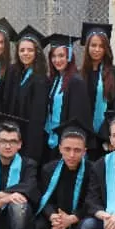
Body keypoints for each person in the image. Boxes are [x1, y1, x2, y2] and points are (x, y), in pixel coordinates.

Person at [35, 119, 93, 229]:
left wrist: (72, 218)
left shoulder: (93, 171)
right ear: (60, 148)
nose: (71, 155)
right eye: (67, 149)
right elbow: (44, 199)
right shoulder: (49, 169)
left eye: (77, 150)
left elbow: (93, 201)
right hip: (57, 220)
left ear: (85, 151)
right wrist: (53, 216)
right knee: (35, 227)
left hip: (80, 218)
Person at [0, 25, 50, 162]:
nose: (25, 53)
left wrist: (31, 150)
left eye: (30, 50)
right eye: (22, 50)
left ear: (37, 52)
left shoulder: (41, 79)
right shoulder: (13, 72)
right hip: (10, 134)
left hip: (29, 138)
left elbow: (38, 117)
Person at [80, 22, 115, 161]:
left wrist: (111, 135)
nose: (97, 49)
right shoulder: (80, 75)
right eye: (93, 45)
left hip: (107, 137)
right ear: (87, 47)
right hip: (85, 136)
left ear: (106, 49)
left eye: (101, 46)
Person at [43, 33, 91, 163]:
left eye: (61, 56)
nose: (57, 60)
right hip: (52, 139)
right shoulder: (54, 79)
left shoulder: (76, 82)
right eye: (53, 56)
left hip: (67, 142)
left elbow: (77, 117)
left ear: (69, 57)